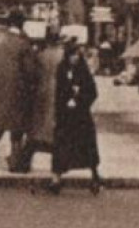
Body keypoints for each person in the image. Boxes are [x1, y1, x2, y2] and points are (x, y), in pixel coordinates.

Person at [44, 38, 103, 194]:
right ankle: (56, 178)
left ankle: (95, 176)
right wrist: (63, 106)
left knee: (88, 148)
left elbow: (93, 92)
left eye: (77, 55)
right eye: (72, 55)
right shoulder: (61, 69)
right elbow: (58, 92)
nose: (75, 58)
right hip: (65, 116)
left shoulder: (83, 71)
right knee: (60, 148)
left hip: (81, 116)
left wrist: (79, 101)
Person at [0, 10, 36, 172]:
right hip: (16, 89)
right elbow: (30, 70)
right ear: (22, 23)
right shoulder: (22, 43)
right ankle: (15, 160)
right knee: (18, 127)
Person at [24, 24, 67, 169]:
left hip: (41, 93)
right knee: (55, 130)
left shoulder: (41, 55)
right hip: (59, 94)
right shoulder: (64, 55)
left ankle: (25, 161)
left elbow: (32, 75)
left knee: (37, 129)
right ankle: (57, 166)